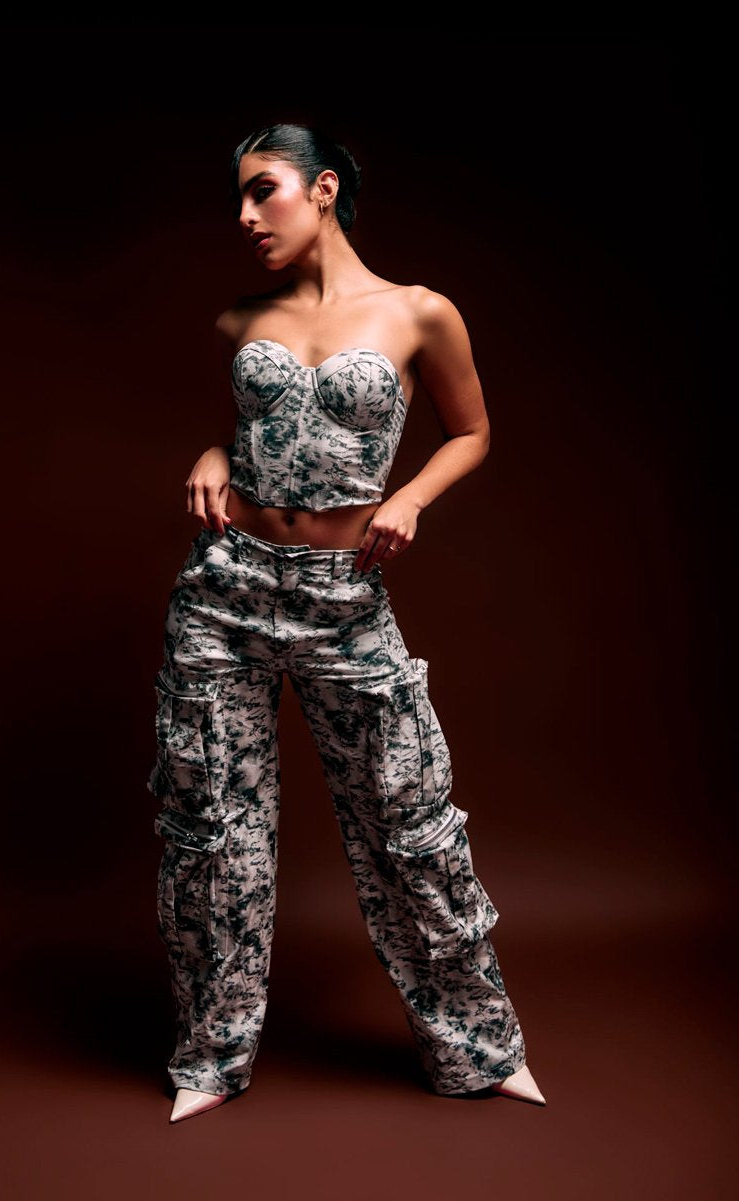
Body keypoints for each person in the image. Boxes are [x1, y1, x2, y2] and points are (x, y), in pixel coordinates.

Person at [148, 123, 547, 1123]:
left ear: (322, 188)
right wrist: (209, 454)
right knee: (212, 833)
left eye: (263, 191)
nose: (246, 216)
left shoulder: (419, 314)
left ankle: (480, 1047)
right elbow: (251, 438)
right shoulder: (243, 319)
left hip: (343, 597)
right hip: (226, 589)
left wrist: (408, 497)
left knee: (408, 822)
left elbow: (474, 429)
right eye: (237, 199)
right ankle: (210, 1055)